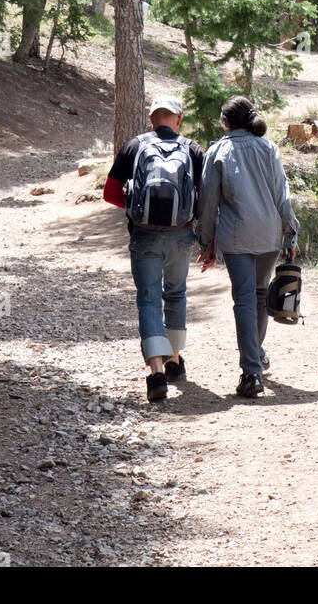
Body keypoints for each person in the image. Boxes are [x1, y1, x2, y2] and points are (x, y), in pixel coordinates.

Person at [103, 94, 205, 402]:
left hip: (144, 235)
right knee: (176, 294)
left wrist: (136, 208)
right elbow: (206, 196)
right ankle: (175, 359)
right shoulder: (192, 149)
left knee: (149, 299)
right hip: (180, 235)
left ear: (151, 119)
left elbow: (110, 193)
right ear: (178, 120)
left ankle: (157, 372)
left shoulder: (134, 146)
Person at [197, 95, 297, 399]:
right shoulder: (269, 148)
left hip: (237, 236)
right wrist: (290, 234)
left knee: (244, 298)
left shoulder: (217, 151)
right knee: (259, 293)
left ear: (226, 122)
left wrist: (205, 242)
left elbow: (208, 203)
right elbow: (283, 196)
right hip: (269, 233)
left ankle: (252, 372)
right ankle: (256, 354)